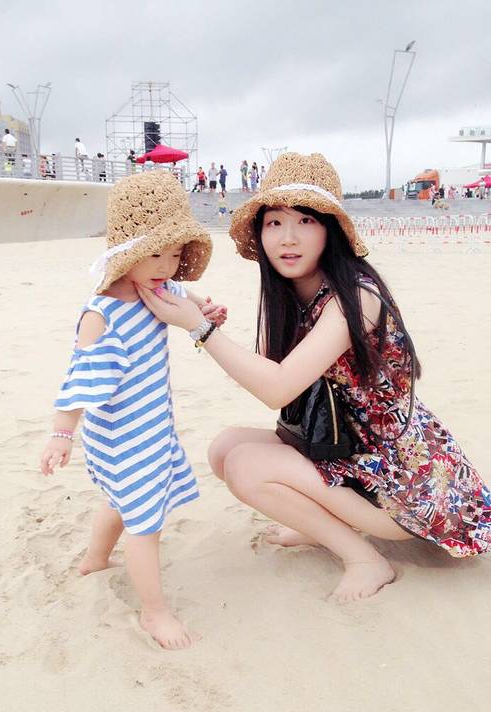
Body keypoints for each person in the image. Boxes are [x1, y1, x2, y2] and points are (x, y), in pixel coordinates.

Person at [137, 152, 491, 603]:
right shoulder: (291, 294)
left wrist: (200, 330)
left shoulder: (356, 298)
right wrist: (207, 318)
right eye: (274, 223)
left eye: (306, 221)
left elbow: (277, 388)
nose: (288, 238)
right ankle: (322, 527)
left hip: (402, 479)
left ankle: (366, 560)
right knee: (225, 448)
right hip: (346, 450)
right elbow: (274, 376)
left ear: (330, 230)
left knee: (246, 467)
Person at [40, 172, 228, 649]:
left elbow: (193, 302)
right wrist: (62, 435)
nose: (168, 265)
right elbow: (79, 381)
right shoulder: (102, 314)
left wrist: (208, 313)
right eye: (156, 253)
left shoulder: (161, 288)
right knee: (145, 524)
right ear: (127, 253)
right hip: (121, 437)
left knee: (120, 503)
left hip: (152, 427)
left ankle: (95, 560)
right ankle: (154, 612)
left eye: (176, 254)